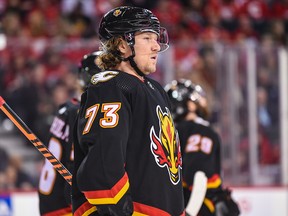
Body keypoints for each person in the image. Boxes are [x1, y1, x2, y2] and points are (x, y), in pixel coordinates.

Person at [72, 6, 185, 216]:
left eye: (156, 38)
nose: (156, 47)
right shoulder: (111, 87)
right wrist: (116, 208)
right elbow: (103, 162)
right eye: (147, 38)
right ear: (123, 45)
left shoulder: (155, 89)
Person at [38, 51, 102, 216]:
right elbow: (75, 168)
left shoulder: (67, 110)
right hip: (68, 208)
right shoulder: (83, 113)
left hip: (50, 204)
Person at [165, 79, 240, 216]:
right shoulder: (201, 130)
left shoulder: (169, 131)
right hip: (198, 206)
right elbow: (199, 175)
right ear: (190, 105)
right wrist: (190, 212)